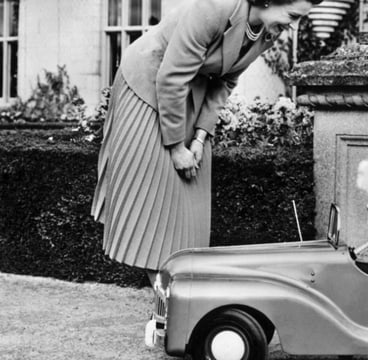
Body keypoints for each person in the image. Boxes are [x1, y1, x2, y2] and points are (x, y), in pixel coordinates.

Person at [91, 0, 322, 283]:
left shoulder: (267, 32)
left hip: (189, 91)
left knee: (190, 203)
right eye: (293, 15)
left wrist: (200, 137)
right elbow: (172, 78)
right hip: (148, 83)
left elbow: (225, 82)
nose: (293, 25)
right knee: (157, 198)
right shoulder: (213, 7)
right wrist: (176, 148)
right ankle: (168, 306)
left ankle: (183, 300)